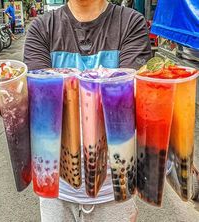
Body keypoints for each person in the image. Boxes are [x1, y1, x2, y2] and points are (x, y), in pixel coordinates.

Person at [24, 0, 152, 221]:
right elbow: (41, 102)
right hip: (56, 187)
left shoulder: (130, 22)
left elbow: (130, 99)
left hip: (115, 188)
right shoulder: (42, 28)